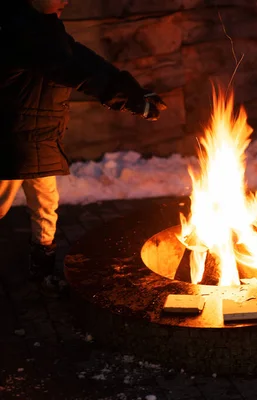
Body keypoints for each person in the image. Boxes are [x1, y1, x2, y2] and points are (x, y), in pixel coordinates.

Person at [0, 0, 167, 293]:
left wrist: (132, 90)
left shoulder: (42, 29)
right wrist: (129, 99)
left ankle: (42, 269)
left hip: (36, 140)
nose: (65, 1)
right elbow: (72, 69)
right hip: (10, 141)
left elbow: (82, 60)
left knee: (45, 205)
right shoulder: (19, 30)